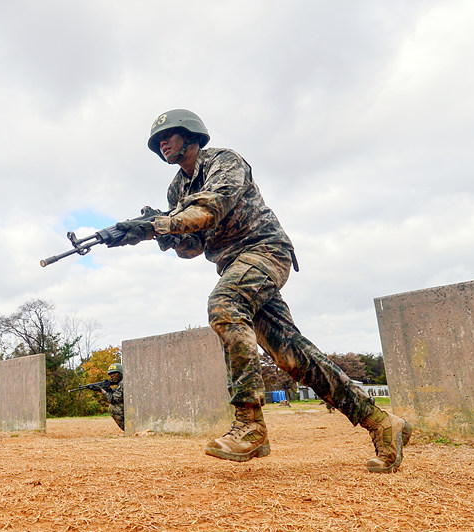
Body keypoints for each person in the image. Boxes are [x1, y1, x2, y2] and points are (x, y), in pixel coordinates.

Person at [112, 109, 412, 472]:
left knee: (225, 304)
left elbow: (211, 209)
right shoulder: (177, 188)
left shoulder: (224, 161)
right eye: (158, 140)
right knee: (291, 356)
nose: (162, 143)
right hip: (234, 264)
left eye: (170, 135)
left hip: (265, 250)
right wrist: (155, 233)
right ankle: (382, 423)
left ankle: (250, 423)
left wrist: (157, 224)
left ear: (191, 136)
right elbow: (193, 244)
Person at [89, 363, 125, 431]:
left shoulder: (122, 383)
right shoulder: (124, 382)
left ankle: (128, 429)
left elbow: (114, 400)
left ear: (120, 373)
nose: (112, 376)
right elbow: (117, 395)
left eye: (114, 373)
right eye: (110, 374)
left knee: (112, 408)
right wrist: (108, 389)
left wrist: (101, 390)